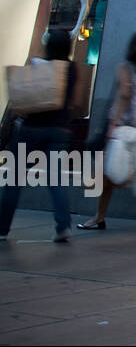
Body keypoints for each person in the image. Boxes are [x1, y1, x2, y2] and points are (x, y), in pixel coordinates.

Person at [79, 31, 136, 231]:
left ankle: (99, 216)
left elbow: (124, 96)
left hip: (129, 124)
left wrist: (113, 124)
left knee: (110, 171)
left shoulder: (125, 67)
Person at [1, 30, 77, 242]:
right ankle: (63, 226)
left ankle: (2, 227)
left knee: (15, 179)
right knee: (56, 180)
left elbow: (27, 92)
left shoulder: (39, 65)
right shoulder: (71, 69)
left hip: (31, 128)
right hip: (59, 129)